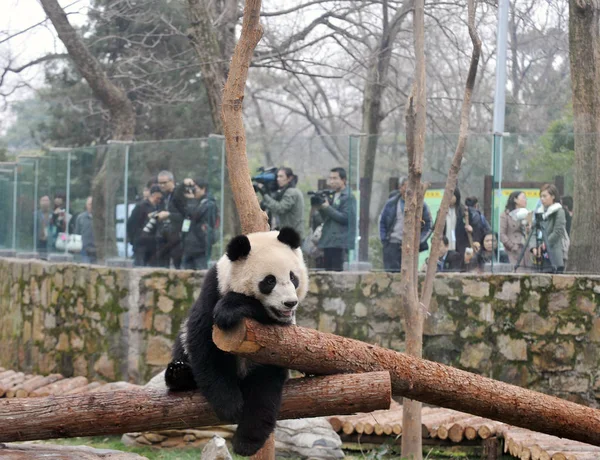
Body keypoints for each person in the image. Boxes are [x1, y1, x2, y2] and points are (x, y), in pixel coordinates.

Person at [378, 177, 432, 272]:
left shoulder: (421, 205)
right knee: (392, 275)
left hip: (410, 246)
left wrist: (420, 241)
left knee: (409, 274)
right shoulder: (391, 204)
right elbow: (382, 222)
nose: (408, 190)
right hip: (392, 244)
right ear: (401, 188)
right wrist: (384, 240)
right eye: (406, 186)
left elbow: (429, 225)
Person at [314, 167, 356, 271]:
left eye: (335, 178)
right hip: (329, 241)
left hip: (340, 243)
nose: (331, 181)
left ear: (343, 180)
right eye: (330, 178)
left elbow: (346, 218)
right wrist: (321, 208)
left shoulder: (348, 196)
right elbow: (326, 219)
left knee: (337, 276)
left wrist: (328, 208)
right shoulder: (331, 195)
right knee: (327, 276)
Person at [180, 178, 218, 270]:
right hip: (189, 246)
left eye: (195, 189)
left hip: (200, 248)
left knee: (200, 277)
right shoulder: (195, 203)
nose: (193, 192)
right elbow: (187, 219)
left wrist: (191, 201)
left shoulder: (209, 204)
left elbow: (197, 218)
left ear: (203, 189)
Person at [259, 167, 305, 238]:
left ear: (289, 178)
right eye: (277, 176)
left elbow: (280, 208)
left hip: (293, 235)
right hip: (290, 234)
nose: (278, 179)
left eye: (281, 176)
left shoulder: (291, 192)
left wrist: (265, 194)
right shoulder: (285, 191)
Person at [533, 183, 568, 273]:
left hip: (554, 254)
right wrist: (534, 248)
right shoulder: (539, 212)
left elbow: (558, 232)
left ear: (553, 196)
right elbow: (533, 231)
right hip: (539, 256)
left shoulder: (559, 211)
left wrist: (543, 246)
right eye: (541, 196)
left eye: (545, 196)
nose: (542, 199)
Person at [127, 185, 163, 266]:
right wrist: (134, 239)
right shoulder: (141, 206)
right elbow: (131, 224)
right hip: (140, 243)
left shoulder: (158, 207)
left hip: (152, 243)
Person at [156, 170, 184, 269]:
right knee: (162, 264)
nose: (162, 186)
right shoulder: (164, 196)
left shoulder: (180, 194)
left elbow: (186, 216)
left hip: (178, 235)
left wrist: (169, 215)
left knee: (178, 264)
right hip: (164, 234)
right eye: (160, 183)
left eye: (164, 183)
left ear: (172, 181)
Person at [441, 187, 481, 257]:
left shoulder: (464, 211)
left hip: (460, 247)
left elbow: (475, 228)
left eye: (451, 195)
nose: (449, 197)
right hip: (445, 247)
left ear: (456, 196)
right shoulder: (442, 210)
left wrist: (471, 230)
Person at [499, 190, 530, 265]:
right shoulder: (506, 215)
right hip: (513, 250)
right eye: (523, 198)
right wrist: (512, 246)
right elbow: (501, 234)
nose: (525, 200)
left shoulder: (527, 214)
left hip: (525, 249)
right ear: (515, 199)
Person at [74, 196, 96, 263]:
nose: (91, 206)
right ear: (86, 205)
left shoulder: (100, 219)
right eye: (89, 204)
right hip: (84, 250)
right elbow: (77, 234)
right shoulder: (80, 218)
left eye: (93, 204)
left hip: (97, 250)